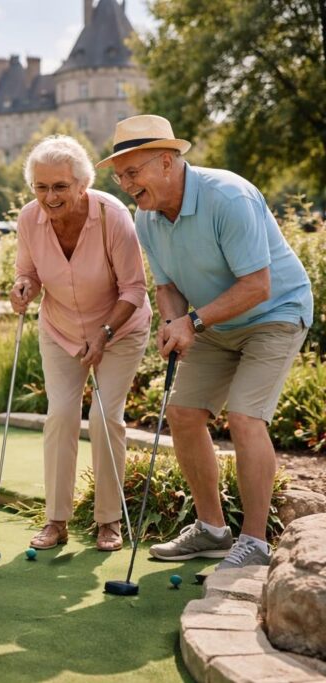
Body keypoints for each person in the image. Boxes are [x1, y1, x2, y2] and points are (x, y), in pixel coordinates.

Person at [98, 115, 312, 570]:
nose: (126, 185)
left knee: (245, 416)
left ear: (167, 161)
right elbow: (167, 285)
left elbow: (257, 286)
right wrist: (173, 321)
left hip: (275, 314)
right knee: (183, 413)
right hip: (215, 321)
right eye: (119, 177)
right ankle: (212, 530)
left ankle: (254, 543)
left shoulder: (228, 196)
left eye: (132, 172)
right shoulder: (147, 219)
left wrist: (192, 321)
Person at [10, 135, 152, 552]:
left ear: (82, 184)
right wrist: (23, 287)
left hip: (119, 329)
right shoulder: (29, 218)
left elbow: (134, 289)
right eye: (41, 187)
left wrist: (104, 334)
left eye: (60, 186)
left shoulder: (112, 216)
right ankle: (56, 520)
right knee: (60, 415)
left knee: (106, 417)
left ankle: (109, 521)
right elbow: (28, 273)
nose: (49, 197)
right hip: (61, 329)